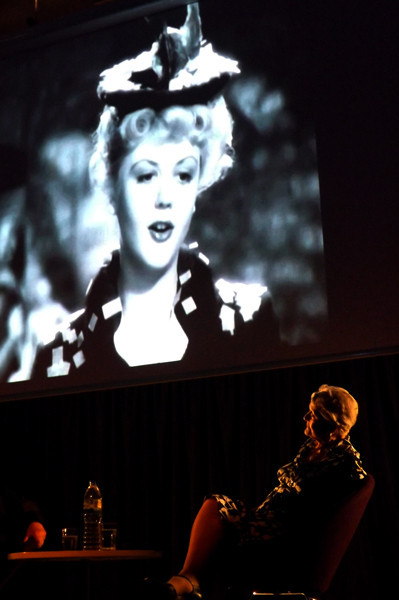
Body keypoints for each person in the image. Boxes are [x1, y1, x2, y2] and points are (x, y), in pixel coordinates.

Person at [30, 3, 280, 382]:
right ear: (111, 185)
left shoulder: (248, 321)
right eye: (145, 176)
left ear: (200, 185)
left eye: (182, 175)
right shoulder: (59, 355)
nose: (165, 197)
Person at [142, 384, 367, 599]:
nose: (305, 418)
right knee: (215, 503)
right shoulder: (311, 447)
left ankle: (188, 582)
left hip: (284, 533)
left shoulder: (344, 462)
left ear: (334, 428)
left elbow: (334, 501)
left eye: (314, 415)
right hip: (265, 519)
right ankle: (187, 577)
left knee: (221, 529)